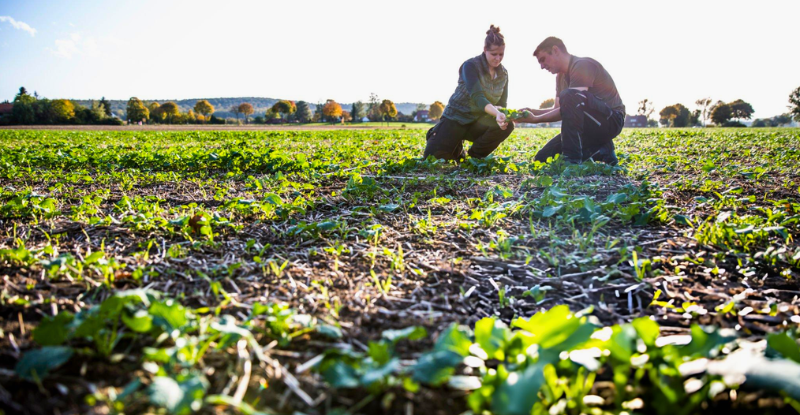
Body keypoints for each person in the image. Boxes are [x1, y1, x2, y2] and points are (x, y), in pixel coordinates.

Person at [518, 37, 624, 165]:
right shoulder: (560, 77)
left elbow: (572, 102)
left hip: (611, 120)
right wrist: (531, 112)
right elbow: (558, 109)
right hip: (588, 125)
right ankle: (601, 151)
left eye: (543, 59)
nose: (541, 66)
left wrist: (535, 119)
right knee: (542, 158)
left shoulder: (582, 65)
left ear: (555, 50)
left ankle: (572, 162)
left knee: (570, 95)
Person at [423, 25, 514, 161]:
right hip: (456, 119)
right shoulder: (470, 66)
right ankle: (440, 134)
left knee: (508, 125)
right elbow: (478, 97)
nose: (498, 58)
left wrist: (502, 116)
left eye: (501, 54)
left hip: (477, 122)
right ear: (485, 50)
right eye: (494, 54)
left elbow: (501, 104)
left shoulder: (504, 74)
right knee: (433, 158)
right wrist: (496, 113)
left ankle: (475, 155)